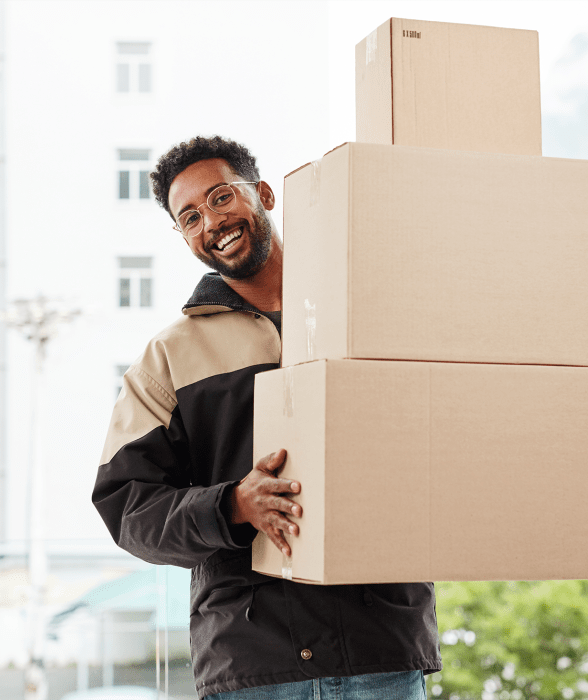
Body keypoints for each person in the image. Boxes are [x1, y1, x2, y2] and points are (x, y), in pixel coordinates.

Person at [92, 135, 441, 699]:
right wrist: (231, 506)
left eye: (222, 197)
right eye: (190, 216)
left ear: (264, 196)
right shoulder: (171, 358)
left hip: (379, 643)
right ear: (184, 237)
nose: (212, 220)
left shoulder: (366, 308)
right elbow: (128, 506)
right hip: (252, 662)